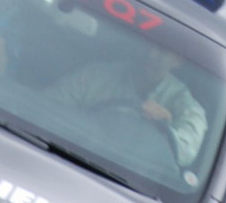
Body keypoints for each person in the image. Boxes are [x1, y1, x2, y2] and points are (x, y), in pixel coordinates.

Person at [52, 44, 208, 171]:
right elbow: (50, 106)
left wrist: (164, 129)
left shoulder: (185, 105)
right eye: (149, 43)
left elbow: (185, 152)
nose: (151, 54)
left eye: (162, 50)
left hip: (138, 181)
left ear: (178, 60)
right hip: (72, 157)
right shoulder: (97, 75)